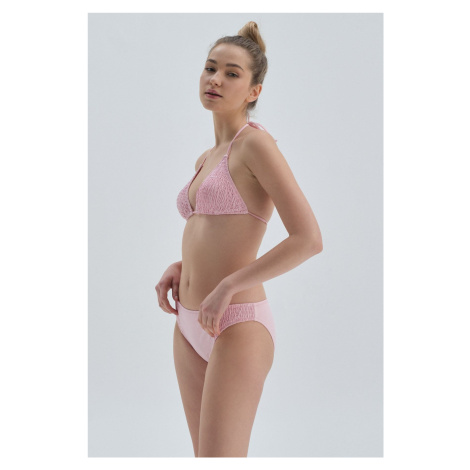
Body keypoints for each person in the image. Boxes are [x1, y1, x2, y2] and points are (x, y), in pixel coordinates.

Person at [155, 21, 323, 458]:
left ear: (254, 91)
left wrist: (228, 284)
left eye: (232, 73)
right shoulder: (207, 156)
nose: (215, 79)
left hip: (236, 322)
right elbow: (215, 233)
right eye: (210, 68)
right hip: (188, 321)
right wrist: (181, 266)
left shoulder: (256, 146)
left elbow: (308, 238)